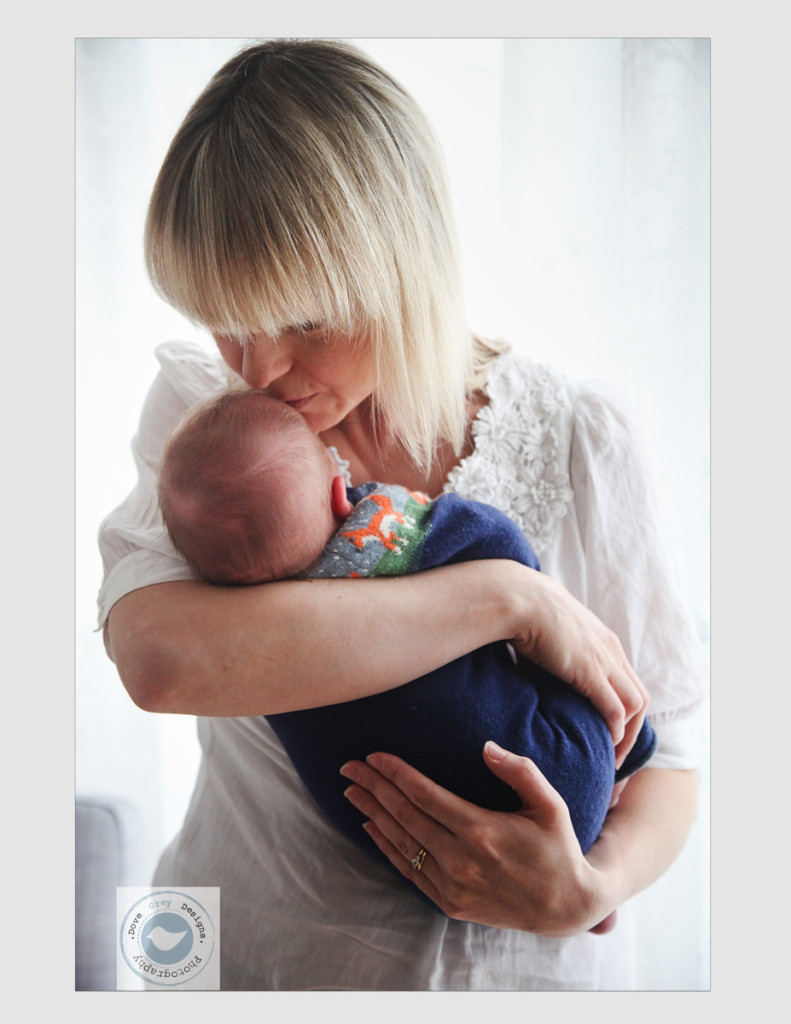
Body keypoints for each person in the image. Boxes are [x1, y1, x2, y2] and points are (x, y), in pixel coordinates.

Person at [98, 39, 707, 989]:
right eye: (228, 316)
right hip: (249, 967)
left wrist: (592, 886)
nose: (259, 370)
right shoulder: (210, 417)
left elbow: (672, 746)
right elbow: (162, 659)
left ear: (403, 263)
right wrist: (509, 599)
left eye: (303, 320)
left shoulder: (584, 438)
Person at [156, 387, 657, 877]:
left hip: (427, 858)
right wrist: (529, 593)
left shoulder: (244, 636)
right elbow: (494, 539)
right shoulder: (379, 533)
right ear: (338, 488)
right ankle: (634, 744)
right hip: (562, 771)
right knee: (554, 672)